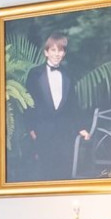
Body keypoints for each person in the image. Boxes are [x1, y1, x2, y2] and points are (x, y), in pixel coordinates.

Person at [14, 29, 85, 181]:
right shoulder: (34, 74)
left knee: (64, 175)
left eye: (61, 50)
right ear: (46, 52)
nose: (57, 54)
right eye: (53, 50)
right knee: (44, 175)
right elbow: (28, 103)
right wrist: (31, 129)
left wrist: (81, 127)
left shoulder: (68, 74)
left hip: (65, 134)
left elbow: (73, 104)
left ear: (64, 54)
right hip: (42, 133)